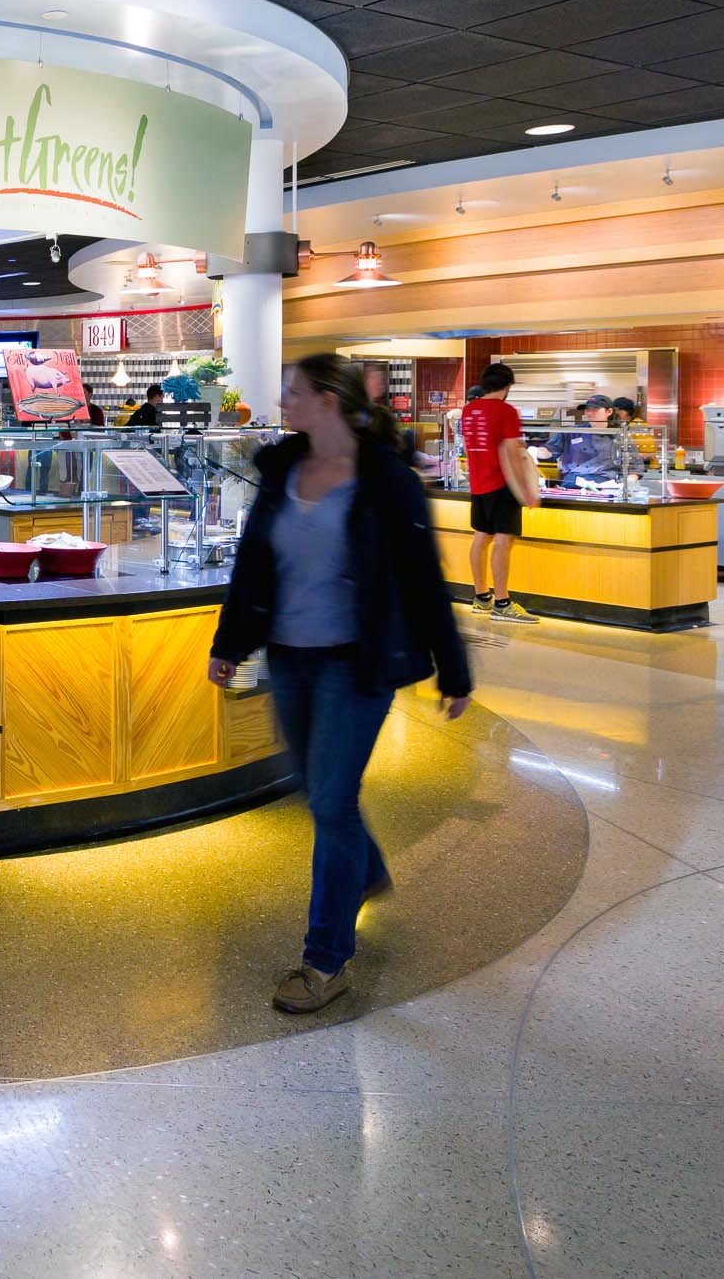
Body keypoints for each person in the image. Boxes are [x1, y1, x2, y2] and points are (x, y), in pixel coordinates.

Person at [208, 353, 472, 1015]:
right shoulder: (281, 469)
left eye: (293, 392)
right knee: (320, 791)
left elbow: (423, 577)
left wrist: (454, 668)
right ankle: (366, 870)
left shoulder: (386, 479)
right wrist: (229, 643)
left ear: (328, 399)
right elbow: (254, 564)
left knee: (331, 802)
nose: (283, 402)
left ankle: (325, 958)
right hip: (291, 657)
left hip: (358, 663)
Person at [458, 361, 541, 624]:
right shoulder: (506, 411)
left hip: (478, 483)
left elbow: (470, 447)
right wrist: (527, 491)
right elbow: (513, 454)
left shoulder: (468, 410)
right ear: (506, 387)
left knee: (481, 537)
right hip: (502, 485)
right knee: (503, 541)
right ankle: (502, 603)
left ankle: (481, 597)